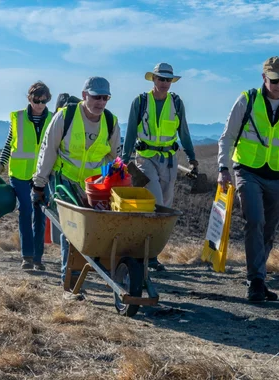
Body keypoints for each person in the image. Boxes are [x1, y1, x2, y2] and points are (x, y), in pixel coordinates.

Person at [217, 56, 279, 303]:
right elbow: (227, 137)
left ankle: (258, 277)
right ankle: (255, 281)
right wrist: (223, 168)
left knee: (269, 230)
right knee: (255, 221)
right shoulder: (247, 100)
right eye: (274, 80)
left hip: (278, 177)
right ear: (264, 78)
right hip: (247, 171)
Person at [32, 77, 121, 294]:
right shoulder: (66, 116)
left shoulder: (111, 122)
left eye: (105, 98)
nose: (100, 102)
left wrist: (104, 180)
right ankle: (70, 282)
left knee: (92, 230)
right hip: (64, 180)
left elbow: (113, 156)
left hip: (93, 186)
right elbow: (48, 150)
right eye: (96, 97)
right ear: (84, 96)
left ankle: (86, 272)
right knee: (71, 230)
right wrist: (39, 183)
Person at [122, 63, 198, 272]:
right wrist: (124, 158)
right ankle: (144, 254)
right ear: (153, 79)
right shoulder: (140, 101)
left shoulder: (176, 102)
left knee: (164, 207)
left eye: (168, 80)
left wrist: (192, 158)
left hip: (170, 160)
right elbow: (130, 131)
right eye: (161, 79)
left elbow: (184, 131)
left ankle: (151, 255)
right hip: (145, 158)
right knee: (154, 202)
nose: (164, 83)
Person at [0, 81, 53, 270]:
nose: (40, 104)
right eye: (36, 100)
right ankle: (27, 256)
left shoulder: (53, 118)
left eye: (44, 100)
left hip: (42, 175)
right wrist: (0, 166)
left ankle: (38, 258)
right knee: (25, 212)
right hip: (19, 174)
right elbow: (9, 144)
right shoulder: (17, 118)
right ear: (29, 98)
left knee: (40, 215)